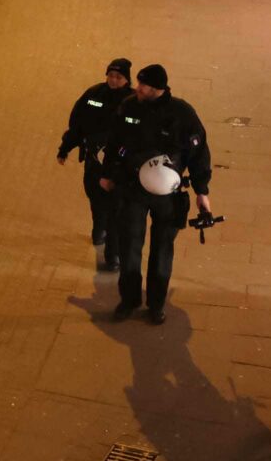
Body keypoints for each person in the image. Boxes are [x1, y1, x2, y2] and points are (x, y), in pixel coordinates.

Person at [101, 64, 213, 324]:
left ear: (158, 89)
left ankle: (155, 304)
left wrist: (201, 191)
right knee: (130, 246)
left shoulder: (183, 115)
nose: (137, 88)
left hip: (168, 195)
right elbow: (114, 141)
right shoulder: (129, 106)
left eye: (144, 85)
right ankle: (129, 300)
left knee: (162, 249)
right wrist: (107, 174)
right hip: (131, 190)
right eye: (139, 83)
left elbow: (199, 154)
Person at [56, 59, 132, 271]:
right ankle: (99, 227)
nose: (113, 80)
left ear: (126, 79)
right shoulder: (93, 95)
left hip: (118, 165)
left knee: (116, 209)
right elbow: (77, 125)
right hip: (93, 161)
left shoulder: (133, 101)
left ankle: (113, 254)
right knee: (96, 199)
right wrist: (65, 148)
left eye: (118, 77)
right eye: (111, 76)